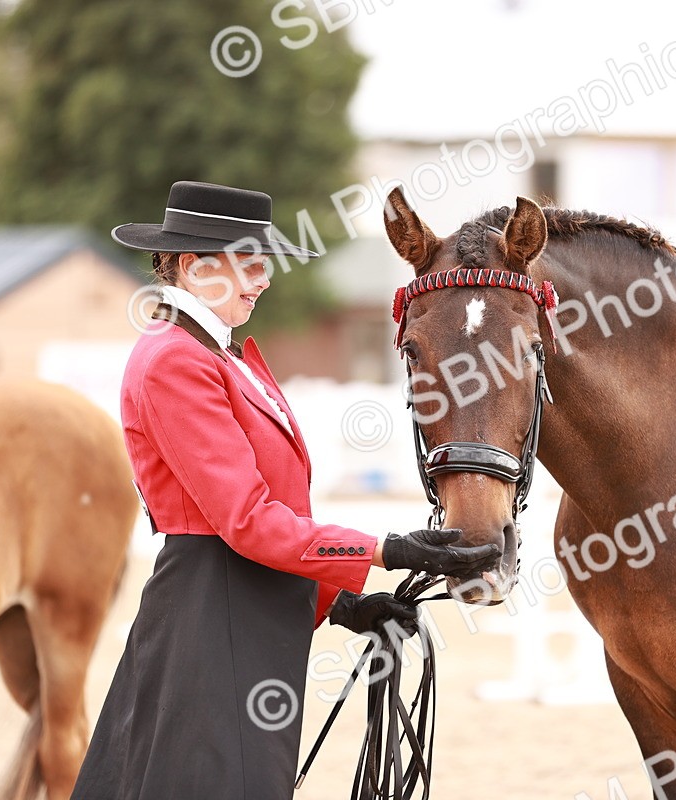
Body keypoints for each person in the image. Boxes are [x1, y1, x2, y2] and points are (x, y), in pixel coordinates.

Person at [71, 181, 499, 799]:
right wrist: (390, 549)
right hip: (211, 611)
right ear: (192, 267)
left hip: (246, 605)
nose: (264, 278)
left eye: (264, 262)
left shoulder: (220, 357)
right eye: (249, 262)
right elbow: (246, 520)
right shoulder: (175, 361)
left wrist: (339, 605)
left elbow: (279, 515)